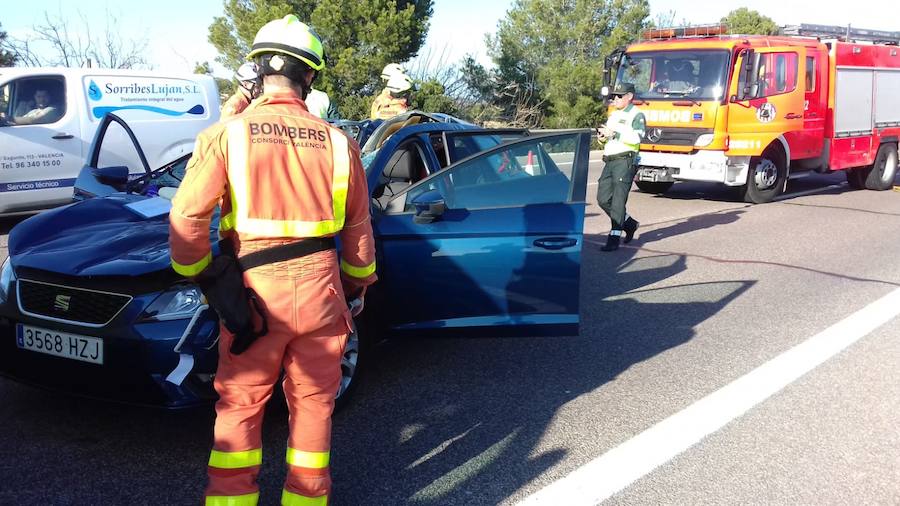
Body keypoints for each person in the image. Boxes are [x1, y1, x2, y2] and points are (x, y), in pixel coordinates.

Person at [168, 14, 376, 506]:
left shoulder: (228, 134)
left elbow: (187, 221)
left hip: (254, 297)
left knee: (240, 406)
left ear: (258, 70)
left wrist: (203, 278)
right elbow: (360, 239)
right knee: (313, 406)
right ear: (310, 76)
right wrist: (354, 290)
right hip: (323, 293)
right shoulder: (339, 143)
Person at [596, 82, 645, 252]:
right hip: (610, 160)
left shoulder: (636, 115)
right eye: (613, 96)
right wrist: (602, 137)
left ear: (629, 96)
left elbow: (638, 137)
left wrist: (615, 134)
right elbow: (608, 137)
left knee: (618, 201)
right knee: (602, 199)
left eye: (619, 96)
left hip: (625, 161)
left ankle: (614, 238)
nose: (614, 99)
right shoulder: (614, 115)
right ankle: (629, 224)